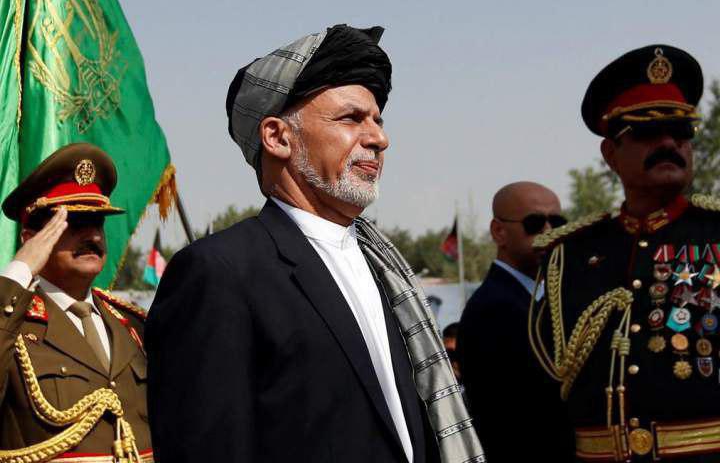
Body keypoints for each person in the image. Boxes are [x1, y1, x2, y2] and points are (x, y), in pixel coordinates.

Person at [145, 24, 485, 463]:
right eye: (351, 119)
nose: (379, 139)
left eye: (378, 120)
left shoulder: (384, 268)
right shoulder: (221, 272)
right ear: (277, 137)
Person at [529, 45, 720, 462]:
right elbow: (547, 394)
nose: (668, 142)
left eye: (680, 130)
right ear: (610, 154)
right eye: (648, 132)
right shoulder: (569, 255)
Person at [0, 143, 152, 462]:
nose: (93, 237)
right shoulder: (12, 323)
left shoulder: (132, 325)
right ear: (31, 239)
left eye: (98, 223)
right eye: (75, 223)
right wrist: (20, 270)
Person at [458, 181, 575, 461]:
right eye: (534, 223)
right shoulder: (492, 309)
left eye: (557, 222)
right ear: (499, 231)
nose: (548, 231)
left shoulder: (553, 298)